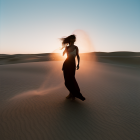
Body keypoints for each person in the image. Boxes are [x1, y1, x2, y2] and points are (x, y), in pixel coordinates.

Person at [61, 34, 86, 101]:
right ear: (70, 39)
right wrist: (64, 50)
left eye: (74, 38)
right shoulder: (67, 47)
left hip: (72, 64)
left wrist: (78, 64)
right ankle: (71, 94)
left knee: (72, 79)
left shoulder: (76, 47)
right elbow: (63, 54)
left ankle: (74, 94)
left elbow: (78, 56)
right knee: (67, 80)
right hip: (66, 64)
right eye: (73, 38)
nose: (74, 39)